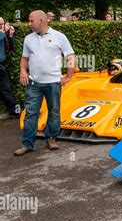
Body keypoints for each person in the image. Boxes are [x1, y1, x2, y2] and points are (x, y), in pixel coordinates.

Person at [14, 10, 76, 156]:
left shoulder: (59, 37)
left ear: (41, 20)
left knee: (53, 112)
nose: (29, 23)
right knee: (30, 113)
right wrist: (23, 71)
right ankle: (27, 144)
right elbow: (24, 58)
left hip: (53, 82)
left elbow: (70, 55)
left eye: (31, 21)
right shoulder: (28, 38)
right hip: (34, 83)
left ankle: (52, 139)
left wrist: (69, 76)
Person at [0, 17, 19, 118]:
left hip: (2, 66)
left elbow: (11, 48)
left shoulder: (2, 35)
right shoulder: (1, 34)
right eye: (0, 24)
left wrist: (10, 36)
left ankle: (15, 111)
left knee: (5, 90)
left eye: (2, 24)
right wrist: (3, 32)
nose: (2, 26)